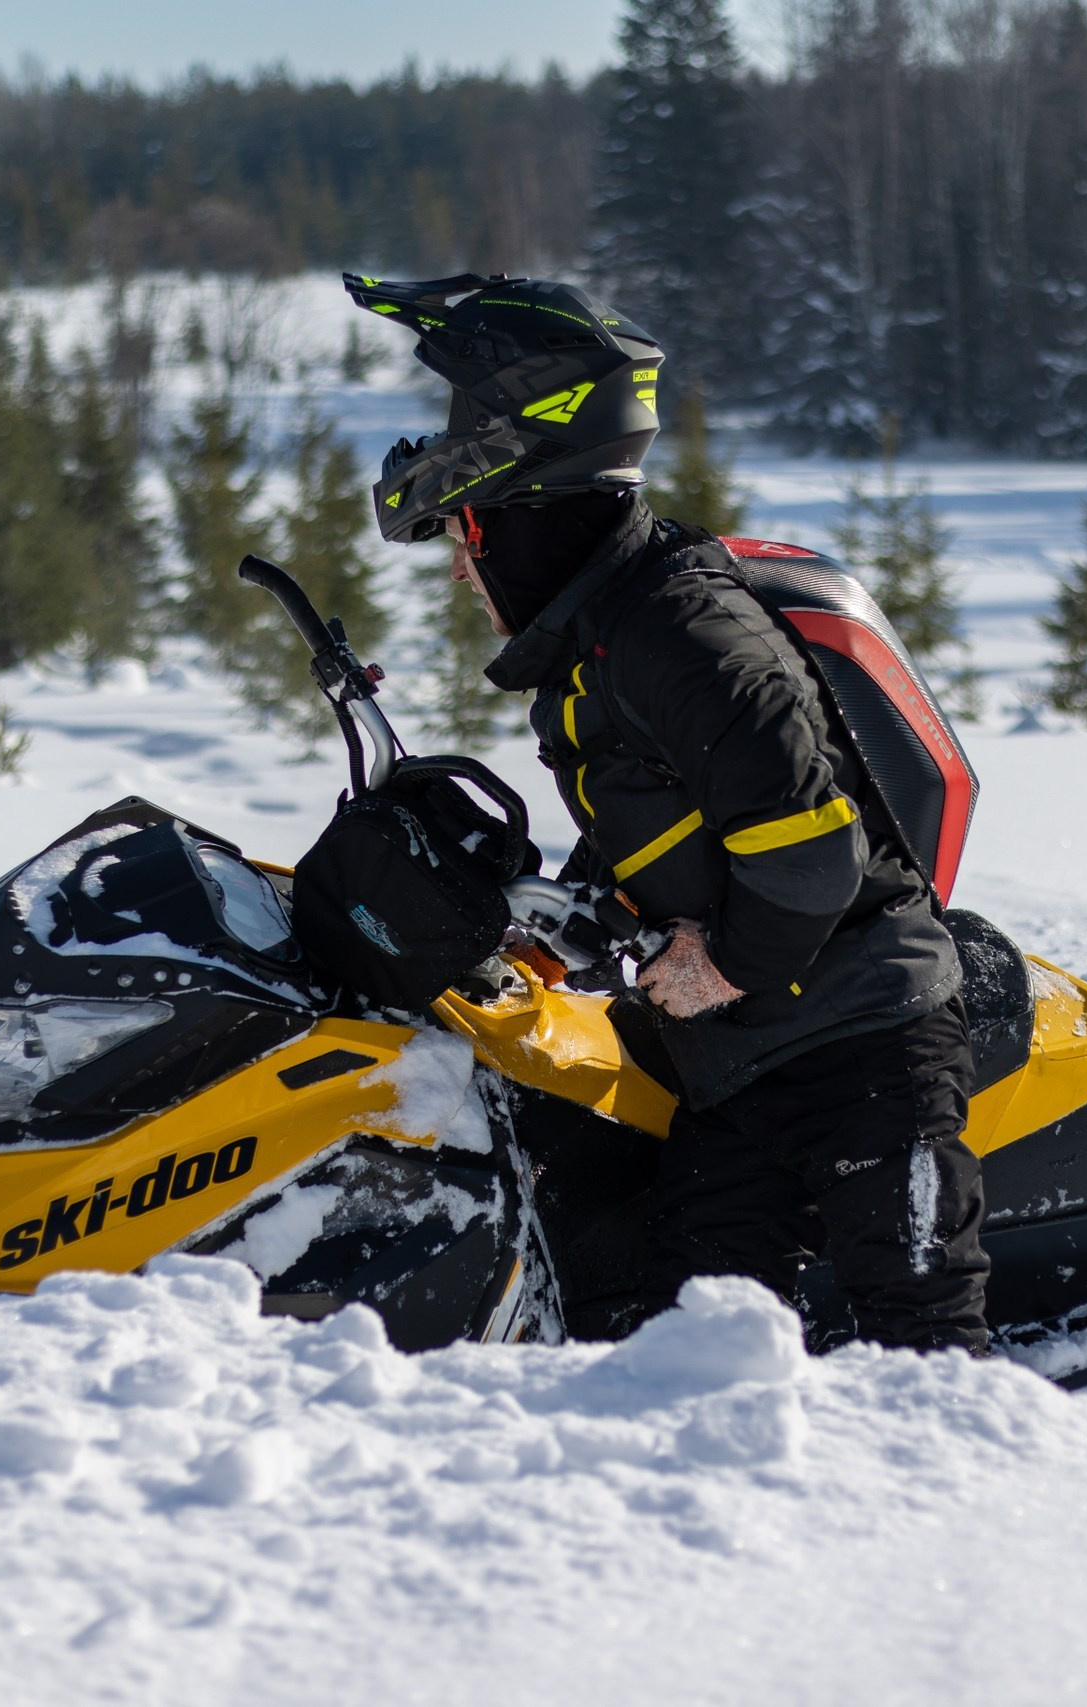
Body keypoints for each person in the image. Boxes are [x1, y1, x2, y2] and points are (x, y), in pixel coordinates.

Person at [343, 273, 989, 1353]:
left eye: (465, 534)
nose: (461, 568)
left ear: (521, 500)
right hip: (743, 1066)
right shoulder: (604, 642)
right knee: (683, 1355)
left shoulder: (678, 631)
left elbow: (809, 849)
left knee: (926, 1357)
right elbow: (668, 827)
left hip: (865, 1046)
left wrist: (723, 965)